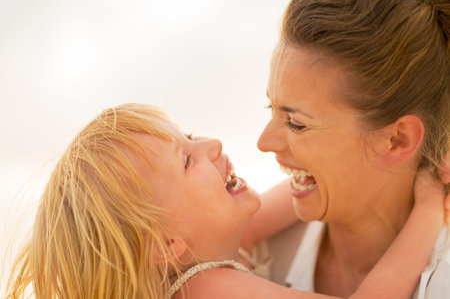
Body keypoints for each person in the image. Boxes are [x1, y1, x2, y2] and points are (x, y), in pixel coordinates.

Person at [4, 103, 449, 299]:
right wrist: (429, 202)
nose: (213, 145)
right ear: (165, 245)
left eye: (191, 136)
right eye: (185, 160)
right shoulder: (209, 289)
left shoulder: (200, 258)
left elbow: (316, 186)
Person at [256, 0, 450, 298]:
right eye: (272, 107)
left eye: (295, 123)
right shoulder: (253, 254)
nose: (263, 143)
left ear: (397, 139)